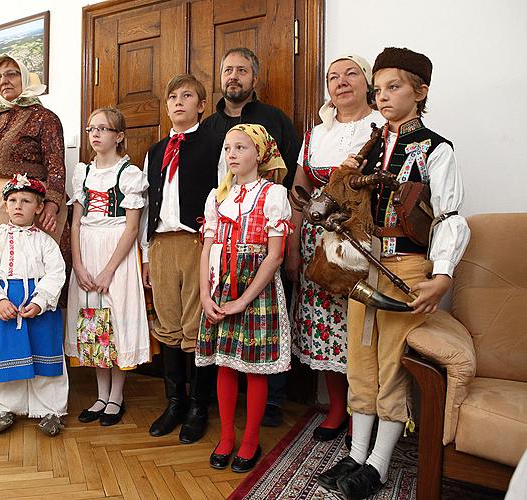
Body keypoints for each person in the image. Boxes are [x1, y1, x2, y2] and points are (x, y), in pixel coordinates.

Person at [317, 47, 470, 499]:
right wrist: (342, 183)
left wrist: (441, 275)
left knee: (391, 363)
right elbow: (342, 205)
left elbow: (449, 216)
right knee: (360, 359)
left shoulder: (436, 150)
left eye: (394, 87)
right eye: (378, 88)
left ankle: (379, 463)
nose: (382, 97)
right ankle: (356, 453)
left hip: (405, 266)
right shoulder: (367, 148)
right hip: (362, 264)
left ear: (420, 92)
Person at [0, 53, 70, 406]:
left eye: (12, 74)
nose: (4, 81)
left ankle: (34, 376)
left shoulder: (45, 118)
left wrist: (50, 203)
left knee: (24, 284)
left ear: (27, 76)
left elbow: (56, 164)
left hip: (26, 206)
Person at [201, 47, 300, 426]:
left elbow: (290, 179)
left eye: (242, 70)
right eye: (227, 70)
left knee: (262, 332)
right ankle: (218, 407)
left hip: (261, 245)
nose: (234, 76)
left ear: (254, 78)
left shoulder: (274, 119)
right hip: (221, 242)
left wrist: (288, 245)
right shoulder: (209, 126)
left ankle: (270, 402)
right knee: (223, 333)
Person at [287, 55, 383, 445]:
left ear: (368, 81)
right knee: (326, 327)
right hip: (318, 242)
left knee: (362, 327)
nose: (341, 82)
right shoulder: (315, 135)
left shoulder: (384, 129)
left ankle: (368, 410)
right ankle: (339, 408)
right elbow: (299, 195)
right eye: (332, 77)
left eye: (350, 74)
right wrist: (294, 250)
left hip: (360, 239)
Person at [198, 124, 292, 473]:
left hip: (255, 287)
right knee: (224, 362)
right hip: (220, 281)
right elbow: (207, 248)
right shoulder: (217, 196)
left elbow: (275, 256)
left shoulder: (272, 195)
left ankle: (250, 439)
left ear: (259, 154)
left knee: (253, 368)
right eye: (228, 148)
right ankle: (225, 436)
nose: (232, 154)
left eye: (240, 147)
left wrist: (244, 300)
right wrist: (206, 293)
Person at [140, 74, 226, 444]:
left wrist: (217, 251)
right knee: (168, 324)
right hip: (162, 244)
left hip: (197, 244)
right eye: (172, 96)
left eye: (187, 96)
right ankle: (175, 402)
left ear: (201, 105)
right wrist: (146, 253)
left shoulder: (215, 145)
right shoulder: (155, 151)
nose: (178, 102)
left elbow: (224, 198)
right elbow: (146, 207)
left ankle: (198, 407)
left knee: (196, 326)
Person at [65, 107, 150, 426]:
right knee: (93, 322)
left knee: (115, 320)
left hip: (117, 253)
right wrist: (79, 265)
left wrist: (108, 270)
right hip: (87, 248)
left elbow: (131, 228)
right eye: (90, 129)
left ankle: (117, 396)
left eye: (103, 128)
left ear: (119, 136)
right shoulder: (82, 173)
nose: (95, 134)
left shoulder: (129, 174)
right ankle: (101, 395)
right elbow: (75, 225)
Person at [0, 175, 66, 435]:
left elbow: (56, 273)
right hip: (6, 309)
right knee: (8, 355)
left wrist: (40, 302)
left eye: (26, 201)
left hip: (39, 310)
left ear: (38, 207)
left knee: (46, 357)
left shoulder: (46, 242)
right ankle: (5, 407)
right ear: (5, 206)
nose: (18, 205)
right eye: (13, 200)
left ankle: (51, 409)